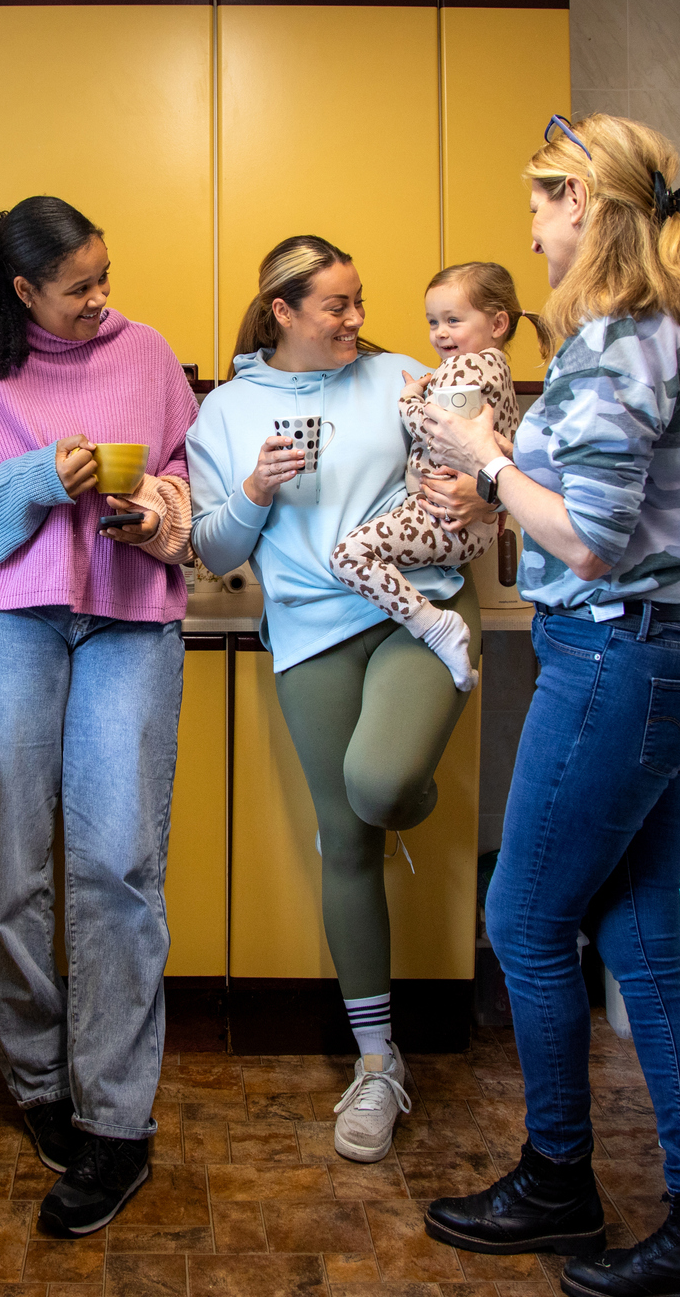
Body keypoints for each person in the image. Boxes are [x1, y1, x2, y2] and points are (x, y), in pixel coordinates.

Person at [415, 114, 680, 1297]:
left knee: (522, 921)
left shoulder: (620, 340)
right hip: (667, 654)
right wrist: (503, 487)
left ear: (587, 205)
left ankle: (561, 1176)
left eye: (542, 199)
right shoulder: (679, 326)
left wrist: (489, 457)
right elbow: (613, 509)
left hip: (617, 656)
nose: (531, 224)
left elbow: (600, 544)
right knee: (634, 933)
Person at [0, 195, 199, 1238]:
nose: (100, 299)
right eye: (79, 287)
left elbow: (184, 479)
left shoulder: (151, 353)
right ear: (25, 290)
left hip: (126, 618)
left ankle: (117, 1118)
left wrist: (156, 508)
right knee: (16, 865)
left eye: (105, 275)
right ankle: (40, 1081)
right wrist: (38, 477)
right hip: (1, 623)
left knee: (119, 865)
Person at [187, 234, 481, 1165]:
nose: (357, 319)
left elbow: (477, 465)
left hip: (416, 608)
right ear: (283, 312)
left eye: (359, 300)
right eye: (336, 306)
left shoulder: (399, 375)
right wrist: (253, 491)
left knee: (381, 787)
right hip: (309, 631)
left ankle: (408, 794)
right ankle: (376, 1062)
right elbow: (218, 552)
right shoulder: (227, 411)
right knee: (346, 840)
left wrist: (477, 493)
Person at [329, 263, 535, 687]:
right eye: (433, 322)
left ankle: (436, 627)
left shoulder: (466, 369)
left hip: (443, 517)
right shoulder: (497, 368)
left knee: (349, 556)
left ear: (498, 323)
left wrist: (407, 401)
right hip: (470, 519)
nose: (440, 333)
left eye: (453, 320)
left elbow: (442, 432)